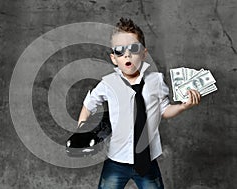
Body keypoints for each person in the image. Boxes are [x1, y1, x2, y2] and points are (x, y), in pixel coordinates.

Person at [77, 18, 201, 189]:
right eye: (120, 51)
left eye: (133, 48)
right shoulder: (108, 84)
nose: (127, 55)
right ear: (114, 58)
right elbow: (88, 105)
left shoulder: (156, 81)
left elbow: (164, 111)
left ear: (144, 53)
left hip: (147, 161)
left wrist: (183, 106)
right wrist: (82, 133)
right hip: (116, 161)